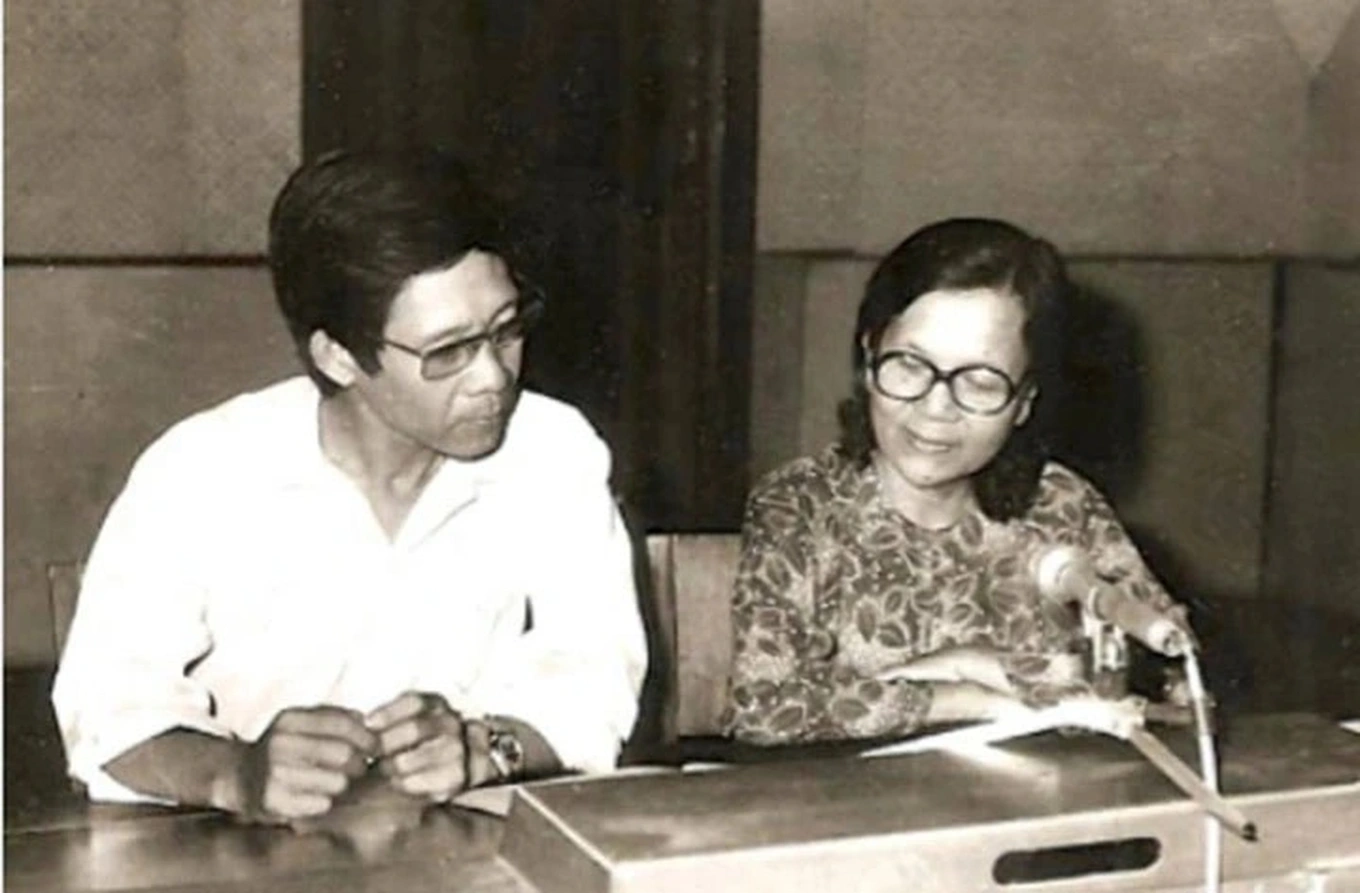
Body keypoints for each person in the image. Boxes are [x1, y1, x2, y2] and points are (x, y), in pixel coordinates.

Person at [52, 148, 648, 822]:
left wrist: (488, 747)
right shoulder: (201, 471)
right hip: (225, 852)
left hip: (460, 851)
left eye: (506, 330)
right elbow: (107, 707)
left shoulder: (552, 450)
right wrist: (237, 774)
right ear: (338, 357)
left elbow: (592, 671)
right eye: (447, 351)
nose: (493, 377)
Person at [725, 217, 1185, 744]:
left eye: (981, 382)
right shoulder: (800, 506)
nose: (936, 407)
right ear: (868, 360)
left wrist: (976, 664)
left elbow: (1174, 681)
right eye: (909, 365)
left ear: (1024, 401)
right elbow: (762, 711)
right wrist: (963, 692)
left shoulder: (1061, 504)